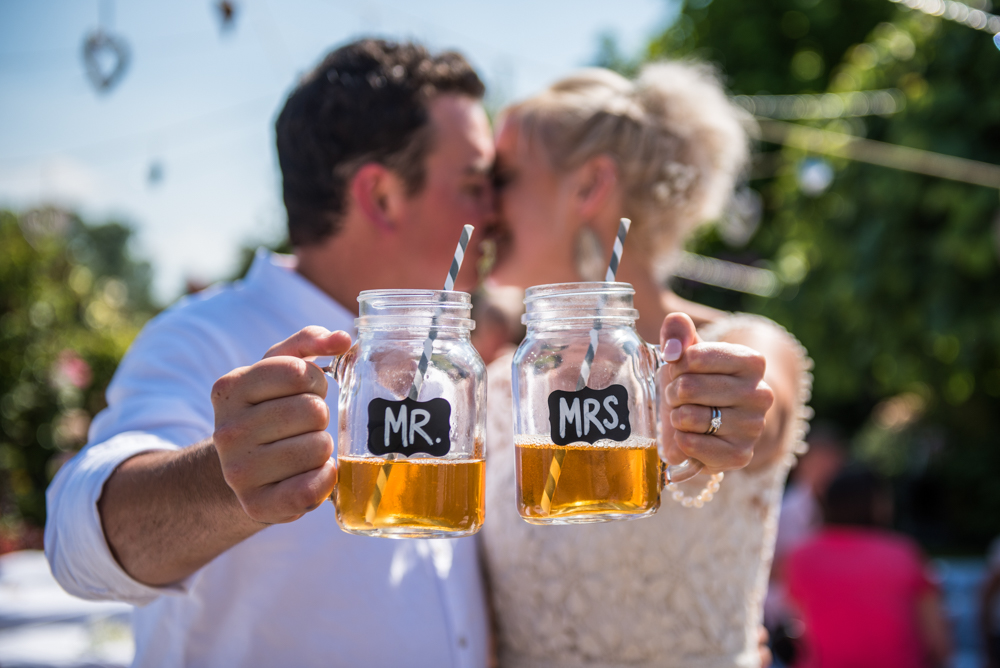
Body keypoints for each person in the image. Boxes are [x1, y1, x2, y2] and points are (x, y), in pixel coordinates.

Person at [45, 39, 496, 667]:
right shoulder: (202, 336)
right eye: (476, 184)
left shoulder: (463, 352)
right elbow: (79, 547)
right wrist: (225, 479)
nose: (494, 211)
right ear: (382, 196)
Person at [481, 62, 811, 666]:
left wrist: (723, 412)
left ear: (589, 188)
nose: (483, 203)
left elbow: (764, 413)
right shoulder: (497, 386)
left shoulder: (742, 343)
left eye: (501, 177)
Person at [786, 466, 951, 668]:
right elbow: (939, 643)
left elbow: (798, 624)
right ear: (878, 503)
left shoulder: (801, 556)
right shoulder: (904, 553)